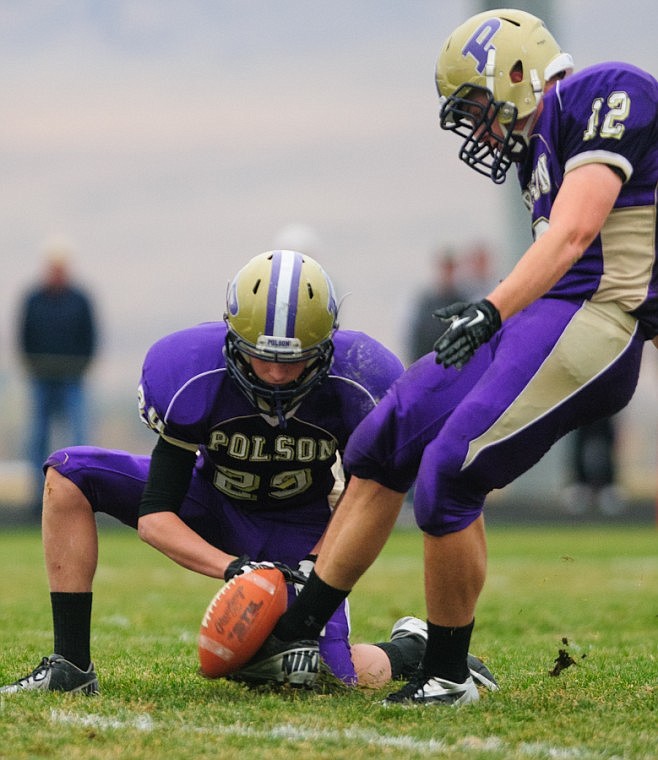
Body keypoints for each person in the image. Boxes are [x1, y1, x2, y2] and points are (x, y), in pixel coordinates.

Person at [236, 9, 658, 706]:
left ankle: (449, 673)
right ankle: (298, 633)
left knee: (450, 473)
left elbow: (578, 233)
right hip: (540, 314)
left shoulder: (602, 93)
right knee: (384, 439)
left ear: (518, 73)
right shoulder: (537, 147)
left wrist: (491, 307)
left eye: (477, 106)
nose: (478, 127)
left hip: (594, 318)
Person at [1, 250, 497, 695]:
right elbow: (156, 517)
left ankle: (411, 647)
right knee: (68, 472)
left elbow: (368, 495)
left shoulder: (362, 377)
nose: (277, 374)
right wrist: (234, 569)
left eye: (295, 360)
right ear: (233, 339)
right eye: (263, 357)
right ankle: (70, 664)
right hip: (210, 501)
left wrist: (317, 564)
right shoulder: (189, 372)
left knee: (320, 677)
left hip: (299, 529)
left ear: (325, 347)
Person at [17, 240, 97, 517]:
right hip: (42, 378)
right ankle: (38, 499)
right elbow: (23, 335)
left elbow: (90, 336)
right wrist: (33, 365)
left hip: (72, 378)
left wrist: (81, 366)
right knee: (37, 437)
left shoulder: (80, 300)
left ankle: (81, 492)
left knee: (77, 437)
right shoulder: (34, 299)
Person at [407, 248, 467, 364]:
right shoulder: (426, 304)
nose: (448, 273)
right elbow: (416, 338)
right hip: (429, 365)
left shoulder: (464, 303)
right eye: (445, 268)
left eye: (451, 269)